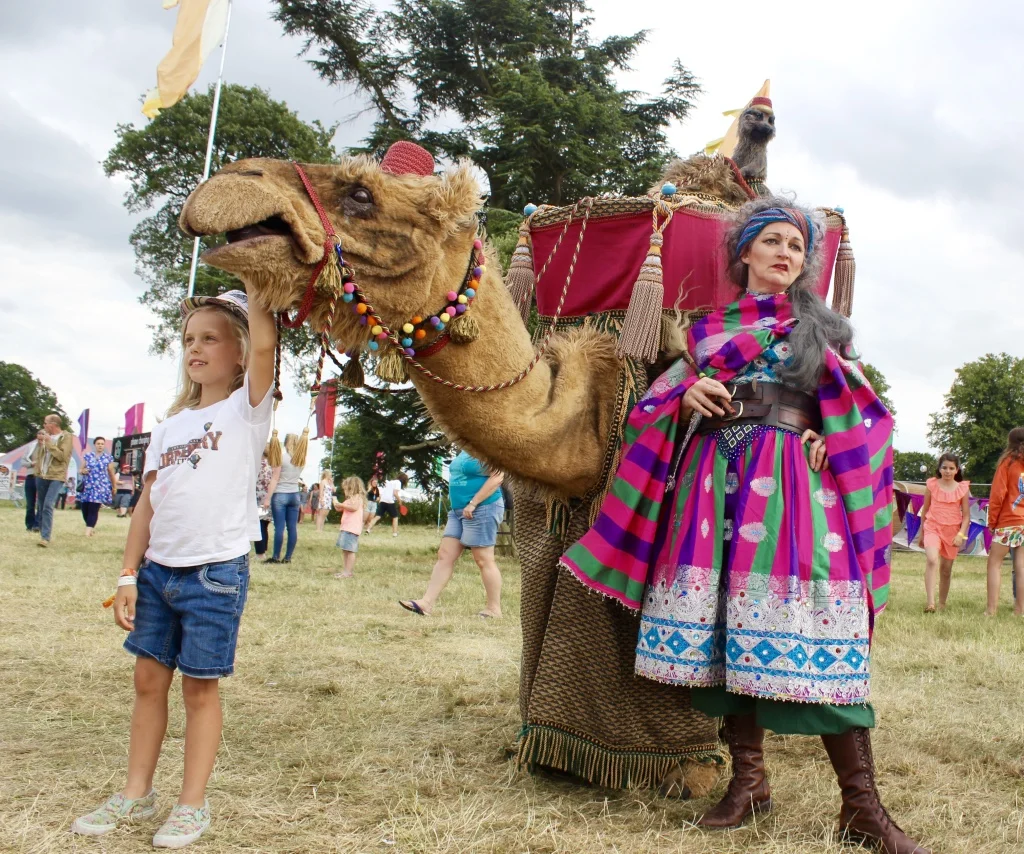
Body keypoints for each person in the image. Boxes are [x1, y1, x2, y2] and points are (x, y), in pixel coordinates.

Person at [562, 199, 928, 853]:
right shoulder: (705, 331)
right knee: (725, 631)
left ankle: (861, 807)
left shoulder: (822, 329)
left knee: (820, 630)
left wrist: (832, 436)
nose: (786, 254)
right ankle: (748, 783)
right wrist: (685, 397)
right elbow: (650, 406)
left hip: (795, 487)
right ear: (746, 252)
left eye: (797, 246)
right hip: (714, 487)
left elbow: (867, 412)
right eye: (774, 241)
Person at [71, 288, 275, 848]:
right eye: (189, 339)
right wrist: (127, 574)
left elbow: (266, 346)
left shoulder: (247, 410)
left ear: (239, 352)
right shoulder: (168, 427)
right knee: (147, 682)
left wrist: (259, 286)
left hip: (215, 573)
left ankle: (191, 805)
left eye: (210, 338)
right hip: (157, 573)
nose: (195, 348)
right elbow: (147, 504)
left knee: (199, 690)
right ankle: (136, 793)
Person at [400, 452, 504, 618]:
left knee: (483, 559)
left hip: (481, 508)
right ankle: (426, 603)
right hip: (458, 511)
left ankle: (494, 609)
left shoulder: (487, 447)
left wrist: (473, 503)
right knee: (445, 555)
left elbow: (498, 477)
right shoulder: (465, 449)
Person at [916, 454, 970, 612]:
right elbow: (925, 510)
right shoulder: (931, 485)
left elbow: (966, 516)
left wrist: (960, 534)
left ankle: (942, 603)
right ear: (939, 469)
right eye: (944, 467)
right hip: (932, 527)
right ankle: (930, 603)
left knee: (946, 570)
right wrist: (922, 533)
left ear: (957, 470)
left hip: (952, 531)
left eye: (951, 468)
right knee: (932, 559)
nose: (947, 471)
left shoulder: (962, 488)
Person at [985, 427, 1024, 617]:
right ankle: (1020, 610)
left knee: (994, 563)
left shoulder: (1007, 463)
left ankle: (991, 610)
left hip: (1008, 521)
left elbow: (998, 495)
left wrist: (992, 522)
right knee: (1021, 566)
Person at [35, 413, 74, 548]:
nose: (44, 425)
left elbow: (62, 456)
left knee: (48, 504)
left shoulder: (66, 437)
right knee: (41, 505)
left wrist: (49, 443)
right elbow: (40, 456)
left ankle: (45, 537)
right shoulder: (45, 436)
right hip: (42, 475)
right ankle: (41, 530)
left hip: (56, 476)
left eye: (45, 423)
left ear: (53, 424)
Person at [263, 433, 303, 563]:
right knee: (292, 528)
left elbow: (275, 478)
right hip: (295, 494)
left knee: (279, 528)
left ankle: (276, 556)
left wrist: (267, 498)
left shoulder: (281, 458)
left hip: (280, 493)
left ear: (285, 443)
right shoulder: (301, 459)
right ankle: (288, 557)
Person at [79, 437, 118, 536]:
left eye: (102, 444)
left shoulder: (108, 458)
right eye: (98, 443)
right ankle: (90, 527)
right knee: (85, 509)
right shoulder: (88, 456)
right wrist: (83, 471)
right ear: (95, 445)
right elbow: (80, 469)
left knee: (93, 508)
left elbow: (111, 473)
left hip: (100, 487)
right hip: (88, 486)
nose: (100, 445)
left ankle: (87, 532)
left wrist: (114, 486)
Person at [333, 476, 366, 578]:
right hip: (345, 528)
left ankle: (348, 572)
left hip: (352, 528)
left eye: (346, 489)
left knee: (350, 551)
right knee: (345, 550)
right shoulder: (349, 500)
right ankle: (345, 570)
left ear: (351, 488)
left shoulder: (358, 498)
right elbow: (338, 508)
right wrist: (334, 498)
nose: (345, 491)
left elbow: (354, 508)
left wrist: (342, 505)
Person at [23, 429, 46, 532]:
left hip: (42, 476)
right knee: (30, 503)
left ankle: (37, 524)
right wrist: (31, 463)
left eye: (43, 434)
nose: (40, 435)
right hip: (31, 475)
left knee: (41, 502)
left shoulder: (49, 448)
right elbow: (23, 461)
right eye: (39, 433)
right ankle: (29, 525)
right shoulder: (31, 447)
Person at [372, 472, 407, 537]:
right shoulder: (398, 483)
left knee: (377, 516)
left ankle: (368, 529)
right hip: (390, 501)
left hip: (383, 500)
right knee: (395, 517)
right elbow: (395, 493)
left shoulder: (391, 482)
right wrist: (399, 500)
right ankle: (395, 533)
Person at [254, 450, 273, 560]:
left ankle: (260, 552)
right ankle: (264, 549)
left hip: (258, 498)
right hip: (269, 497)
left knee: (259, 525)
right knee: (264, 525)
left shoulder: (257, 465)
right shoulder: (272, 465)